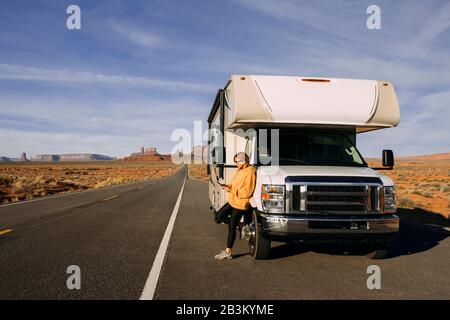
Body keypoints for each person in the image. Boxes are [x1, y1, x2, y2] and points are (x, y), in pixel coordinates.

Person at [214, 152, 256, 260]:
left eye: (237, 161)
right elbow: (235, 185)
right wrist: (228, 186)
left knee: (231, 225)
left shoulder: (250, 172)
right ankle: (241, 225)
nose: (236, 163)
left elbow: (247, 191)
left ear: (243, 161)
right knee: (218, 217)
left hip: (241, 203)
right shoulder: (240, 170)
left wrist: (232, 190)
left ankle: (228, 252)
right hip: (233, 200)